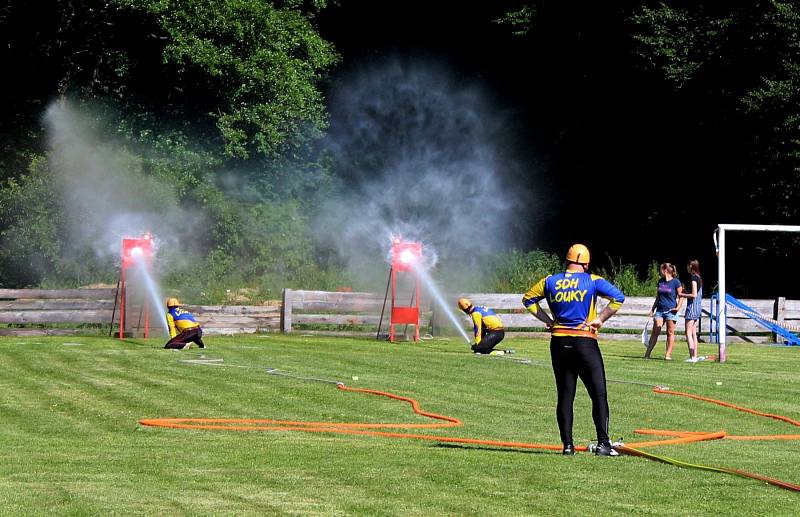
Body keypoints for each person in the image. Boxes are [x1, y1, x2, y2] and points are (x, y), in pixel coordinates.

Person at [521, 244, 625, 457]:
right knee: (598, 394)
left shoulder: (549, 280)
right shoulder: (592, 280)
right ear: (586, 263)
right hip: (584, 342)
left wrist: (548, 320)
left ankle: (568, 446)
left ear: (567, 261)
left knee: (565, 396)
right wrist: (599, 320)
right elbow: (618, 298)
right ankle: (604, 444)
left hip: (559, 343)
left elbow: (528, 300)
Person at [644, 263, 684, 360]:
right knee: (655, 331)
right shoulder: (660, 282)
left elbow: (681, 296)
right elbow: (658, 297)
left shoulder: (676, 282)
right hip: (660, 311)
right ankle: (647, 354)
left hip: (671, 311)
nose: (660, 271)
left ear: (665, 270)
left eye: (661, 270)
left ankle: (668, 355)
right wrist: (652, 309)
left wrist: (678, 308)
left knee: (670, 332)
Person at [678, 259, 703, 362]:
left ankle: (692, 357)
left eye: (688, 266)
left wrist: (682, 294)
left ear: (691, 266)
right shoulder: (699, 278)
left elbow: (694, 295)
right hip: (697, 308)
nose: (687, 268)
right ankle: (694, 356)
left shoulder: (693, 278)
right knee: (693, 333)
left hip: (692, 308)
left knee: (688, 332)